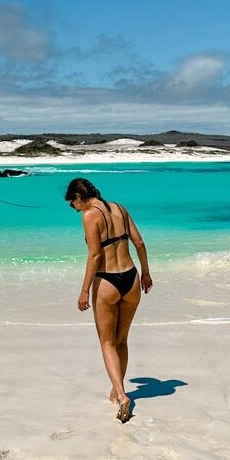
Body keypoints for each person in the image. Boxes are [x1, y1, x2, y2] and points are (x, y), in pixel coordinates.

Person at [66, 177, 152, 422]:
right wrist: (146, 273)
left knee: (107, 342)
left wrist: (84, 291)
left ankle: (123, 396)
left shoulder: (90, 215)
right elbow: (139, 242)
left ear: (79, 197)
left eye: (73, 204)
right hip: (131, 278)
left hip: (107, 281)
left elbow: (95, 255)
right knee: (121, 340)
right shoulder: (120, 208)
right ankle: (116, 391)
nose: (75, 209)